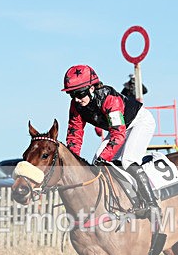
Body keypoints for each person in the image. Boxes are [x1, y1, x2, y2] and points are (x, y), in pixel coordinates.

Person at [61, 64, 158, 218]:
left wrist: (104, 159)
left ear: (91, 88)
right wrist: (72, 162)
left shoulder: (109, 98)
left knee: (128, 159)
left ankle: (152, 204)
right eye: (71, 95)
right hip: (120, 128)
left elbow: (118, 135)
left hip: (139, 122)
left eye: (79, 94)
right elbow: (75, 135)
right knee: (96, 161)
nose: (77, 99)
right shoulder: (76, 106)